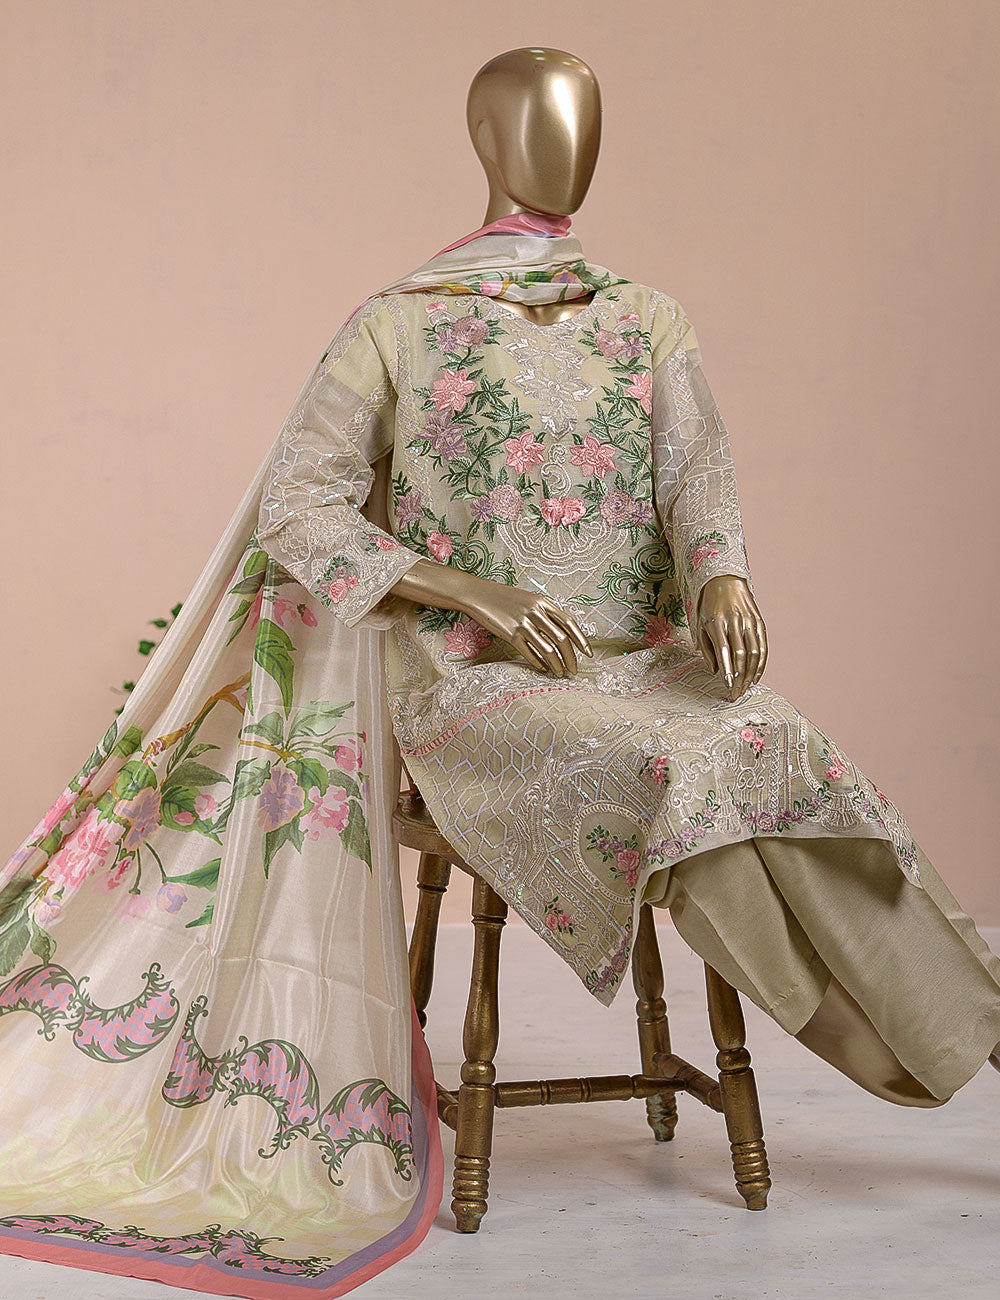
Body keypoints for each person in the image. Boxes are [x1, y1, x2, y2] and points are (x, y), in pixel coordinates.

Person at [0, 210, 997, 1299]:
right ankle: (905, 1044)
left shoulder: (646, 318)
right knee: (681, 777)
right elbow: (298, 505)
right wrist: (473, 592)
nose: (564, 149)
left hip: (645, 657)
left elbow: (697, 470)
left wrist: (722, 574)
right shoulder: (397, 326)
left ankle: (977, 1023)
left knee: (781, 744)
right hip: (476, 685)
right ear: (487, 139)